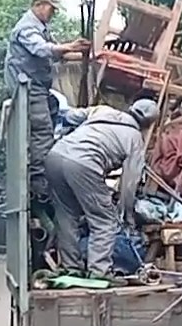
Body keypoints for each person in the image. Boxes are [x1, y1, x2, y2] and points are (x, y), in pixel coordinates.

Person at [44, 99, 157, 280]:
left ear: (130, 108)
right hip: (84, 164)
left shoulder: (102, 110)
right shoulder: (135, 139)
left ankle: (70, 267)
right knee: (104, 220)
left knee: (66, 215)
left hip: (55, 155)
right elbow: (129, 184)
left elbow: (70, 115)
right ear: (149, 124)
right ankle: (99, 271)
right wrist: (126, 215)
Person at [3, 0, 90, 206]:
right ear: (39, 5)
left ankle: (43, 172)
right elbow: (42, 50)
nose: (53, 14)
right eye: (51, 9)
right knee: (42, 131)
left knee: (51, 119)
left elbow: (52, 55)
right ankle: (40, 182)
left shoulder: (40, 27)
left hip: (38, 88)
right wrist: (69, 46)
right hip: (28, 89)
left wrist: (76, 52)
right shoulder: (27, 28)